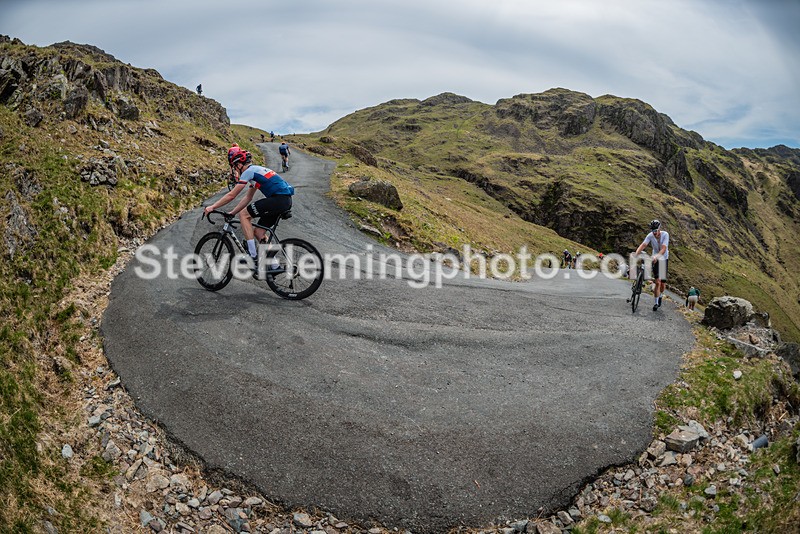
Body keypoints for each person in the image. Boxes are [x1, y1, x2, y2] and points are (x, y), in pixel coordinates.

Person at [204, 146, 294, 276]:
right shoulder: (256, 172)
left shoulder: (249, 172)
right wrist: (232, 213)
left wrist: (212, 207)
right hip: (284, 200)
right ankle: (274, 266)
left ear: (239, 164)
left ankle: (252, 256)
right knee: (258, 232)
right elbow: (248, 197)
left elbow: (232, 195)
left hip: (278, 199)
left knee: (244, 215)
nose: (235, 170)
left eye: (235, 167)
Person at [633, 219, 670, 311]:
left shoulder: (665, 235)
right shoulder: (650, 235)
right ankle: (656, 303)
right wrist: (636, 254)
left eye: (655, 231)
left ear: (659, 229)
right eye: (652, 231)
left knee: (662, 284)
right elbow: (643, 245)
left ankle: (660, 295)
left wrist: (657, 256)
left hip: (663, 258)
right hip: (655, 258)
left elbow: (664, 249)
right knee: (657, 282)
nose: (654, 233)